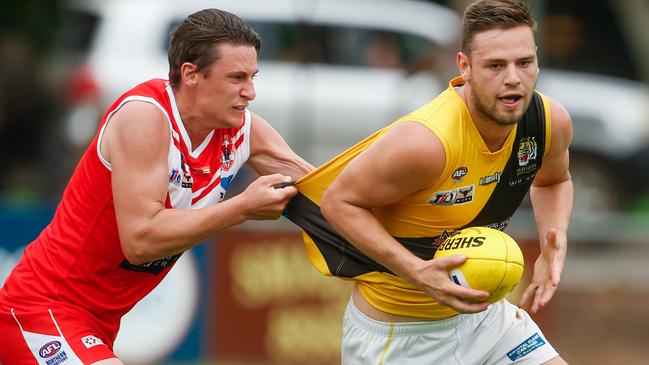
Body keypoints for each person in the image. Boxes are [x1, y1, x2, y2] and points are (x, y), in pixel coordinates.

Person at [0, 8, 313, 365]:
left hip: (99, 324)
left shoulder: (241, 128)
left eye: (253, 76)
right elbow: (140, 240)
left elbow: (323, 187)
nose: (250, 92)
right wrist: (242, 208)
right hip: (42, 310)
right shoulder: (145, 116)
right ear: (191, 73)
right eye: (237, 77)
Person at [284, 0, 572, 364]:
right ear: (464, 67)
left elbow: (553, 181)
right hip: (399, 336)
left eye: (524, 63)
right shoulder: (425, 142)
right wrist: (418, 272)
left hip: (488, 321)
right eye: (495, 65)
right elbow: (338, 203)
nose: (513, 78)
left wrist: (554, 240)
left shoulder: (549, 121)